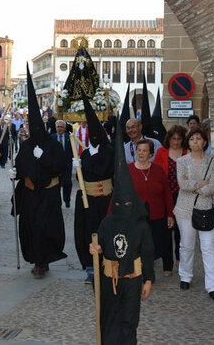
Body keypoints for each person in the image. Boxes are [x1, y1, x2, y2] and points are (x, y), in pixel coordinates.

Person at [89, 123, 154, 344]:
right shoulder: (107, 223)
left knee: (129, 320)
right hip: (109, 280)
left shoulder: (140, 226)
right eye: (119, 203)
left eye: (128, 203)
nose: (123, 207)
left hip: (132, 281)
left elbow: (147, 253)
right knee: (109, 318)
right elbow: (99, 244)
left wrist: (148, 281)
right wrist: (95, 249)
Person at [11, 65, 67, 278]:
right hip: (29, 194)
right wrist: (15, 173)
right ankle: (35, 258)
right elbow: (20, 164)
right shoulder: (26, 146)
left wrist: (42, 157)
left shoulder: (52, 145)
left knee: (45, 229)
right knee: (30, 229)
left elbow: (60, 166)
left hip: (48, 195)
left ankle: (43, 261)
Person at [174, 128, 214, 301]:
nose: (195, 141)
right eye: (192, 139)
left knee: (209, 248)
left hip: (208, 208)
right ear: (188, 142)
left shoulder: (213, 162)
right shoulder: (181, 161)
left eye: (198, 138)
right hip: (185, 209)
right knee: (186, 245)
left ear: (204, 142)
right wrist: (201, 184)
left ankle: (213, 286)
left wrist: (194, 186)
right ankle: (185, 276)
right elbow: (182, 183)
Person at [74, 93, 114, 284]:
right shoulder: (87, 153)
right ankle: (91, 268)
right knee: (90, 233)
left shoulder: (110, 151)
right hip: (89, 200)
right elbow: (83, 178)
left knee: (106, 232)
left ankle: (107, 264)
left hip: (106, 199)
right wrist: (78, 167)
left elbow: (105, 169)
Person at [127, 139, 174, 279]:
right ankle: (141, 272)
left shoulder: (158, 170)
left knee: (152, 245)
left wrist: (170, 214)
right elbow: (122, 192)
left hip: (156, 214)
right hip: (135, 215)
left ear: (151, 153)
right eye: (139, 150)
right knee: (137, 243)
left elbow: (167, 194)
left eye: (144, 150)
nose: (141, 153)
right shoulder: (129, 169)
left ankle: (148, 272)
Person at [153, 125, 187, 275]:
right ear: (169, 139)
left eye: (179, 139)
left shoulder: (187, 153)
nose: (176, 142)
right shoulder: (162, 152)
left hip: (183, 196)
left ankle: (180, 260)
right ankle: (167, 264)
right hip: (165, 196)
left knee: (182, 231)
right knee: (166, 231)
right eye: (173, 138)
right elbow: (156, 171)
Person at [51, 120, 73, 207]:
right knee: (56, 185)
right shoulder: (51, 137)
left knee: (67, 184)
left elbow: (72, 150)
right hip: (55, 166)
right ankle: (57, 202)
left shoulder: (69, 137)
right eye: (58, 127)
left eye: (61, 127)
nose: (59, 129)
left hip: (66, 165)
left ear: (65, 128)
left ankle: (67, 200)